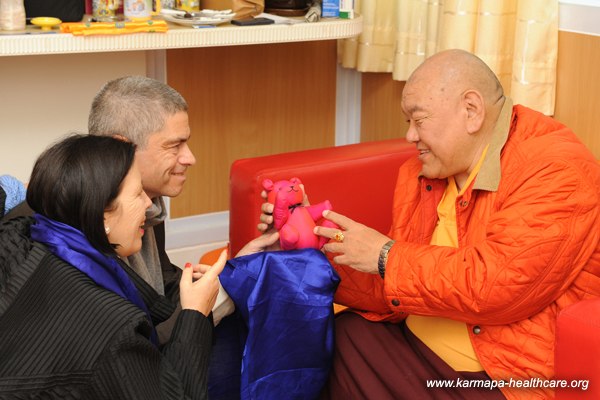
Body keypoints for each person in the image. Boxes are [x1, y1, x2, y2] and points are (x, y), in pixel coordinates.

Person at [258, 49, 600, 399]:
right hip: (417, 349)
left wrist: (386, 256)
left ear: (471, 111)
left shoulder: (556, 171)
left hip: (499, 378)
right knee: (335, 333)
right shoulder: (427, 173)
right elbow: (393, 289)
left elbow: (497, 286)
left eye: (418, 120)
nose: (410, 136)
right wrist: (312, 245)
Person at [0, 134, 227, 399]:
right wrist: (196, 313)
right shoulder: (110, 329)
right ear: (102, 210)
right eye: (137, 193)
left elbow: (156, 307)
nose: (147, 203)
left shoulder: (25, 234)